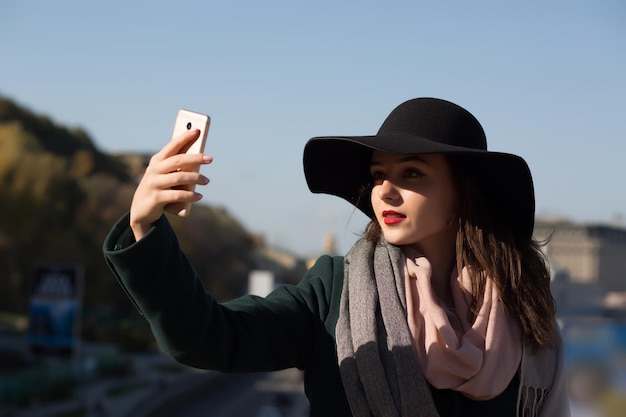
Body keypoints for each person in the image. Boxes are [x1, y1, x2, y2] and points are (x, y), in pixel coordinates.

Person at [103, 98, 569, 416]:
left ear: (464, 193)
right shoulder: (335, 290)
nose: (385, 190)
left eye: (412, 173)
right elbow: (207, 337)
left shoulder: (525, 315)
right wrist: (145, 225)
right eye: (378, 174)